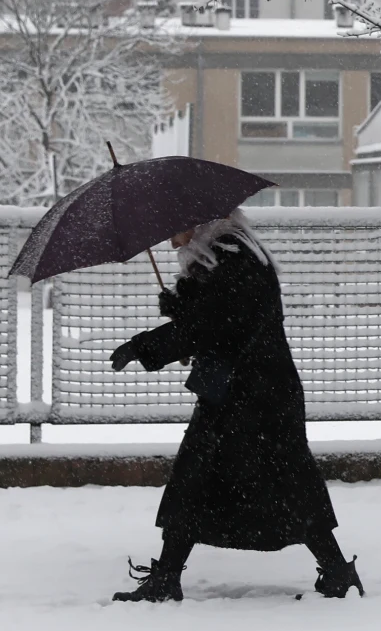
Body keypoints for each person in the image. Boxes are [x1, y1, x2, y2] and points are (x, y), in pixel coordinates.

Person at [109, 210, 363, 603]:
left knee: (277, 483)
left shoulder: (234, 257)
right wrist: (180, 306)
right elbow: (215, 320)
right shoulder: (228, 256)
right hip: (243, 391)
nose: (171, 241)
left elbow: (212, 324)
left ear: (198, 222)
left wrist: (147, 344)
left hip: (257, 396)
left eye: (174, 230)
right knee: (208, 479)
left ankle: (335, 570)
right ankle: (168, 576)